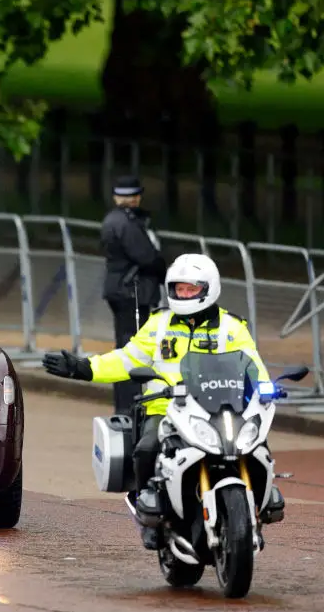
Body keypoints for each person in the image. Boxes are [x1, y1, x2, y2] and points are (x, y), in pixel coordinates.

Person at [41, 253, 285, 549]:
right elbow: (127, 359)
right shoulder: (159, 324)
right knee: (147, 448)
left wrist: (264, 387)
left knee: (256, 443)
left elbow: (253, 363)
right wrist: (84, 368)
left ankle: (263, 499)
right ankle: (150, 511)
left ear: (209, 289)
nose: (183, 295)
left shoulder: (231, 327)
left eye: (191, 289)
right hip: (167, 408)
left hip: (222, 407)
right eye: (179, 289)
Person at [100, 175, 166, 415]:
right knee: (134, 351)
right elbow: (147, 256)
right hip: (133, 292)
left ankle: (126, 405)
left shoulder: (113, 219)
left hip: (122, 290)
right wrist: (163, 268)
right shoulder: (127, 223)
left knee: (126, 348)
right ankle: (130, 407)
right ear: (136, 197)